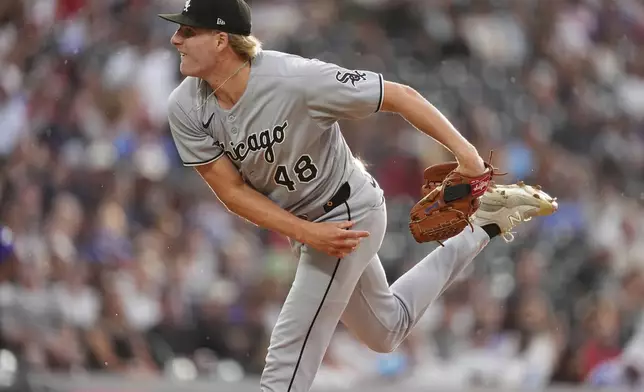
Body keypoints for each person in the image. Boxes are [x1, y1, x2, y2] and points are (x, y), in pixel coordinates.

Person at [157, 0, 558, 391]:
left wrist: (469, 158)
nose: (176, 39)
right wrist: (304, 232)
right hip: (310, 226)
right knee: (386, 330)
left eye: (188, 30)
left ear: (221, 39)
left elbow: (400, 96)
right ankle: (483, 224)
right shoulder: (186, 107)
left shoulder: (296, 79)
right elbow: (232, 193)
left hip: (348, 208)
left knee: (289, 352)